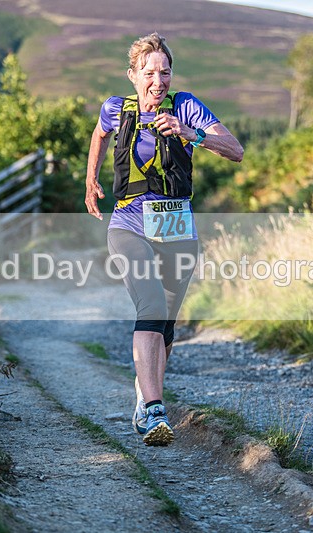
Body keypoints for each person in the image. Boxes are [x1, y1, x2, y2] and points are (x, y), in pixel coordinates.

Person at [84, 32, 243, 446]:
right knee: (150, 304)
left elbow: (236, 149)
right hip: (129, 221)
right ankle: (155, 409)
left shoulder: (186, 106)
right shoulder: (115, 109)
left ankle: (144, 394)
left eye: (165, 71)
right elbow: (99, 135)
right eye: (150, 72)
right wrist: (91, 180)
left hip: (175, 226)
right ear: (133, 75)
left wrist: (191, 133)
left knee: (166, 322)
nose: (159, 80)